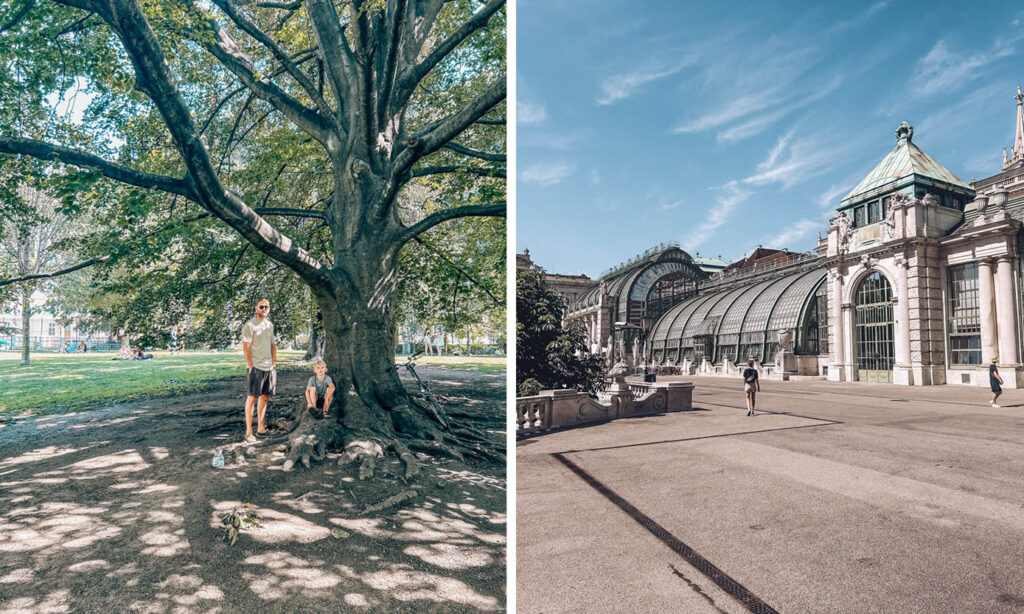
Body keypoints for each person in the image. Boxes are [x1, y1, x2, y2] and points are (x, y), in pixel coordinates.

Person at [241, 299, 277, 443]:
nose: (264, 308)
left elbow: (273, 345)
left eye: (266, 306)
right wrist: (250, 366)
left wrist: (273, 364)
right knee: (252, 398)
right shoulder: (250, 325)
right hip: (256, 366)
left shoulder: (269, 325)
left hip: (269, 367)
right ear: (256, 308)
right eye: (261, 306)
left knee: (264, 397)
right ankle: (249, 431)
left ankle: (261, 428)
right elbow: (246, 347)